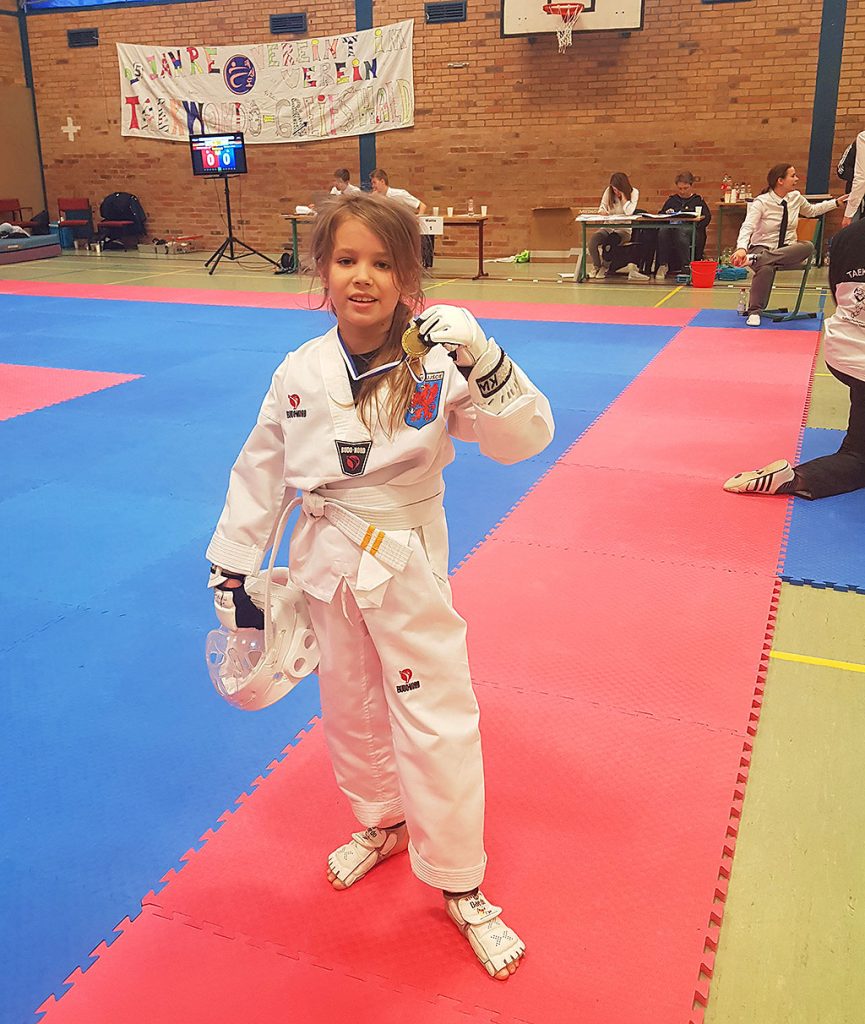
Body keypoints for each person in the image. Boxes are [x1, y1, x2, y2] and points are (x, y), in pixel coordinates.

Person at [205, 193, 554, 979]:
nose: (362, 277)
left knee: (435, 712)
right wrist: (232, 567)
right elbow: (261, 467)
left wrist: (485, 358)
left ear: (408, 277)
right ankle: (383, 821)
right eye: (346, 260)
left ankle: (459, 879)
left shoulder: (437, 359)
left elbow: (522, 441)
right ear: (321, 270)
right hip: (323, 553)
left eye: (382, 263)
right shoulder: (299, 369)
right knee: (350, 699)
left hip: (403, 559)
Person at [724, 218, 865, 499]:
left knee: (857, 454)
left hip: (844, 353)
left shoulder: (846, 237)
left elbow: (838, 293)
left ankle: (794, 478)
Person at [730, 163, 848, 327]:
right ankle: (754, 311)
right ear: (780, 180)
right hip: (762, 246)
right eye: (792, 176)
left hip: (787, 251)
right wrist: (742, 248)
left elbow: (812, 211)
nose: (796, 179)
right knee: (766, 268)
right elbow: (747, 226)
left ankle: (757, 259)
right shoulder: (761, 202)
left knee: (807, 246)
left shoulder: (796, 197)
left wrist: (835, 203)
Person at [587, 172, 649, 282]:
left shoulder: (634, 192)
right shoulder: (609, 191)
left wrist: (623, 197)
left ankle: (605, 267)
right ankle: (597, 266)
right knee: (593, 242)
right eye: (614, 189)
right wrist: (602, 211)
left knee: (610, 242)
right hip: (608, 227)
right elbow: (602, 207)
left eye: (617, 190)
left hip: (623, 230)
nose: (615, 192)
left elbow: (629, 212)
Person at [369, 168, 434, 268]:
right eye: (372, 183)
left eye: (374, 183)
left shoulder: (399, 194)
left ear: (382, 181)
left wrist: (417, 219)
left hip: (403, 229)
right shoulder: (376, 197)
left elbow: (422, 206)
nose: (373, 186)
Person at [654, 172, 711, 280]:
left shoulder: (698, 200)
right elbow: (661, 214)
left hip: (692, 231)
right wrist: (666, 213)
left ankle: (686, 265)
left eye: (685, 188)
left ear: (691, 186)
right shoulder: (672, 200)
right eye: (680, 188)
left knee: (681, 232)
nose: (682, 191)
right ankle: (663, 265)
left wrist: (696, 222)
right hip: (672, 229)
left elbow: (707, 218)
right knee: (663, 231)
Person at [840, 130, 865, 228]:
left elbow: (861, 177)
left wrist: (848, 214)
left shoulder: (863, 137)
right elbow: (841, 170)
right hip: (857, 194)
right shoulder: (859, 140)